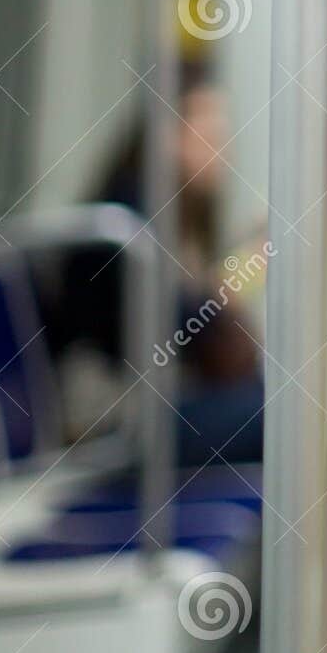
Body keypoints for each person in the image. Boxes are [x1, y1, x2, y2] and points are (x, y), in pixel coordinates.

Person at [50, 54, 266, 470]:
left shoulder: (174, 217)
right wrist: (232, 285)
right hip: (116, 421)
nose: (222, 147)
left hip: (157, 404)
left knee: (284, 404)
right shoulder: (126, 224)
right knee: (287, 416)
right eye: (206, 131)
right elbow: (184, 330)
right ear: (166, 134)